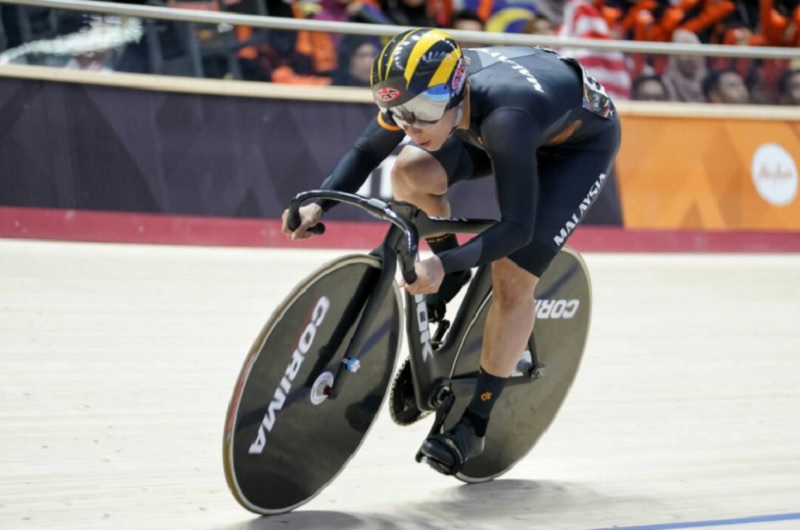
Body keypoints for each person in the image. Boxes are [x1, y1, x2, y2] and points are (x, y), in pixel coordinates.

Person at [281, 28, 621, 475]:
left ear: (455, 90)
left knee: (513, 275)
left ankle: (476, 422)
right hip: (500, 121)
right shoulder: (418, 96)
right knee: (409, 170)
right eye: (397, 112)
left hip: (572, 146)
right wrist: (317, 201)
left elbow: (516, 228)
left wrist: (443, 261)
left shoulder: (504, 115)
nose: (409, 125)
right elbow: (367, 151)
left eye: (420, 113)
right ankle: (455, 276)